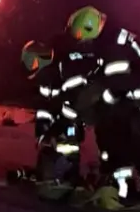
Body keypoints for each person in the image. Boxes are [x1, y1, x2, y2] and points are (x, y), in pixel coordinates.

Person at [68, 5, 140, 203]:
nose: (84, 44)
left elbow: (117, 85)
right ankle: (137, 191)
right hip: (136, 96)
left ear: (91, 29)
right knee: (124, 139)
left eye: (84, 39)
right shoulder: (110, 39)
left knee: (135, 144)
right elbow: (106, 78)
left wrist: (99, 108)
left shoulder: (113, 45)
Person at [10, 36, 98, 187]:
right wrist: (43, 131)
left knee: (68, 140)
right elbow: (45, 107)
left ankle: (70, 175)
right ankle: (55, 173)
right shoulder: (47, 80)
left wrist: (53, 131)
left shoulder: (66, 75)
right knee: (53, 145)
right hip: (68, 114)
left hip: (82, 112)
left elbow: (74, 109)